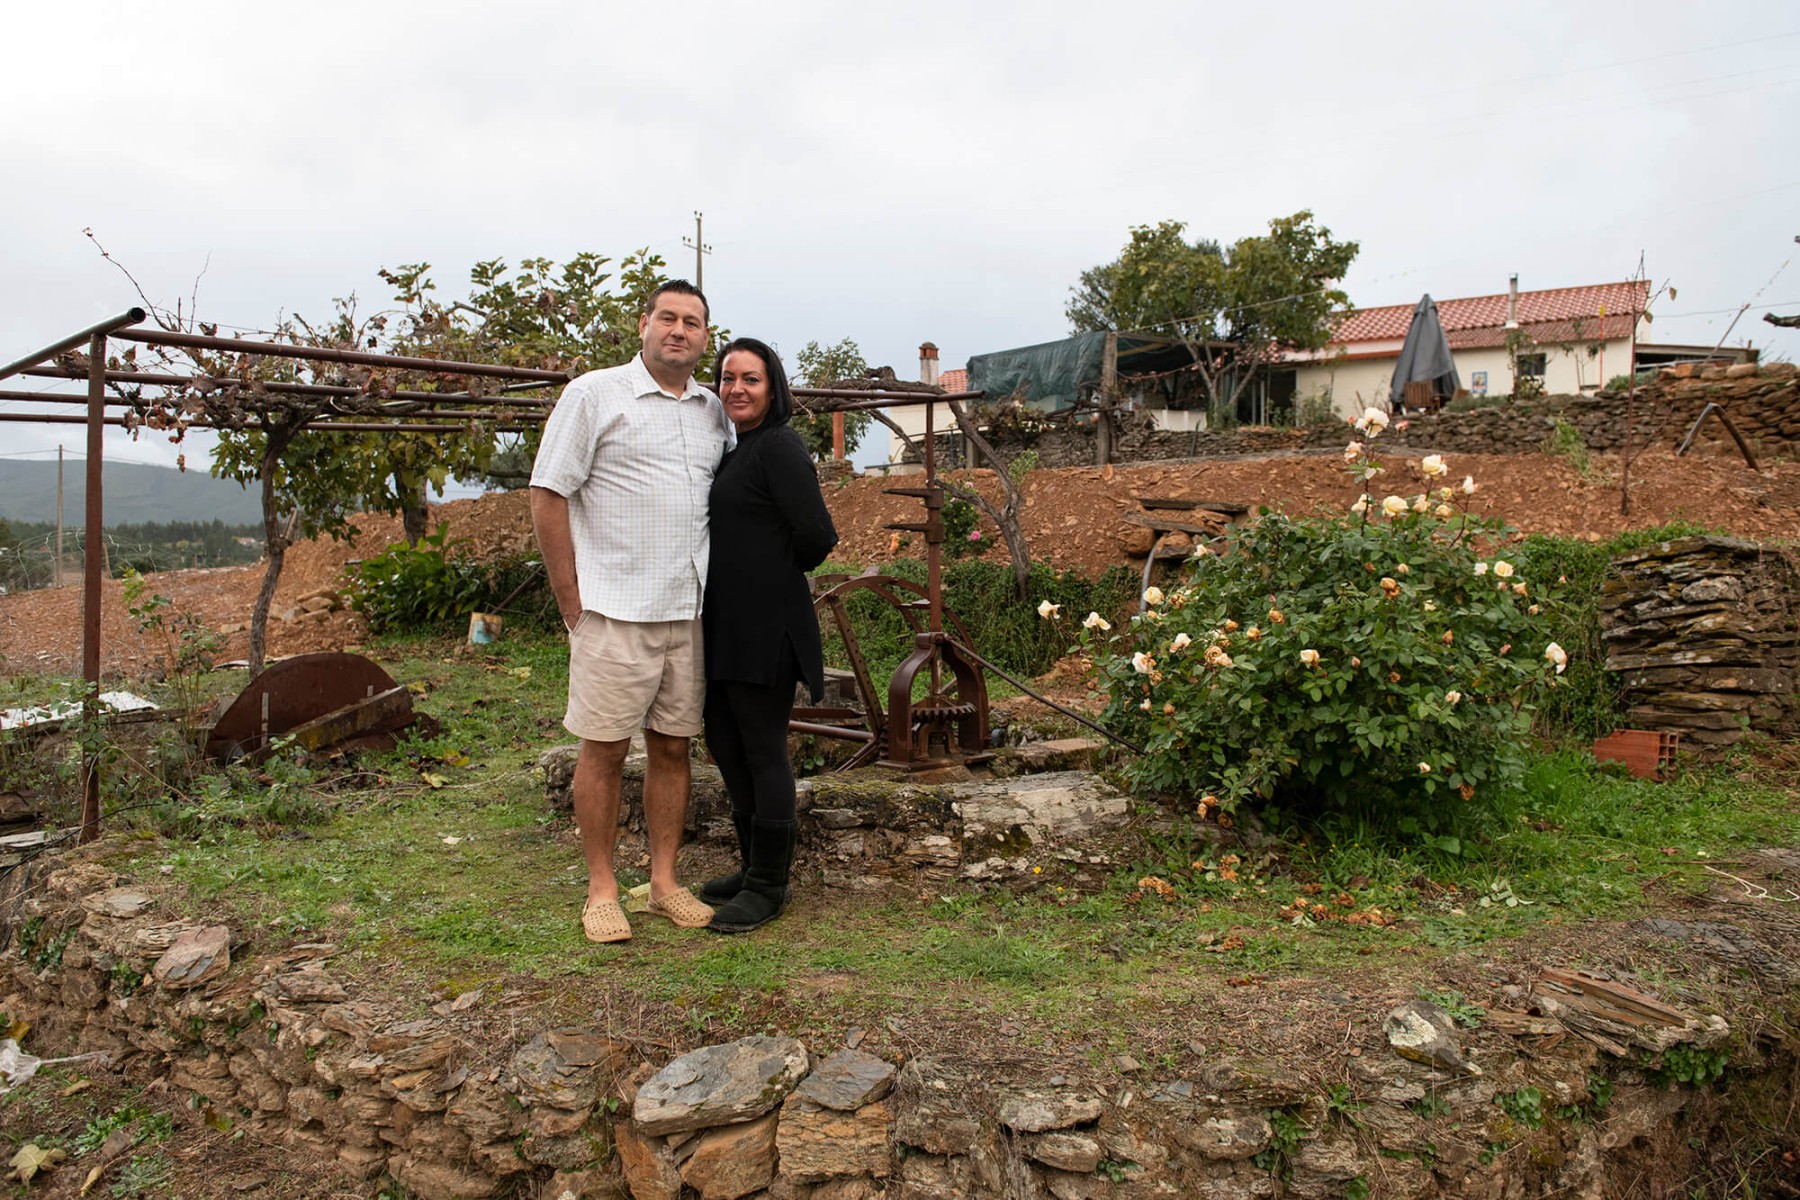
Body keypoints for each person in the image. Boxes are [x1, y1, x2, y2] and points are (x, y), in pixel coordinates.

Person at [529, 280, 735, 943]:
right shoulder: (594, 395)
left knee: (674, 749)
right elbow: (548, 493)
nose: (680, 330)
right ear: (642, 323)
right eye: (668, 318)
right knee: (605, 751)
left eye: (694, 323)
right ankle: (602, 888)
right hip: (613, 612)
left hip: (687, 613)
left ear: (706, 337)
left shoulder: (713, 412)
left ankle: (665, 883)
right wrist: (572, 603)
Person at [699, 337, 838, 933]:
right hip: (724, 624)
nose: (736, 388)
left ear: (773, 387)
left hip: (767, 626)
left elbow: (817, 536)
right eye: (728, 378)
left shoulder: (779, 446)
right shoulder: (739, 450)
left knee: (761, 748)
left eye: (750, 379)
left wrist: (770, 572)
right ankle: (752, 863)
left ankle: (768, 885)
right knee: (726, 745)